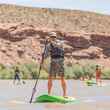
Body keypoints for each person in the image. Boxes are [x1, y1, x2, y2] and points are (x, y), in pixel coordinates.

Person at [43, 32, 67, 97]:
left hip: (60, 62)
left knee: (62, 78)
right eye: (52, 37)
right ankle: (49, 94)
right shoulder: (48, 45)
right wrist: (42, 59)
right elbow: (46, 54)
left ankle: (64, 94)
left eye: (54, 37)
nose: (53, 38)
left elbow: (57, 45)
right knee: (50, 78)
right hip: (53, 62)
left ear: (56, 37)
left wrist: (51, 41)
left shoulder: (60, 42)